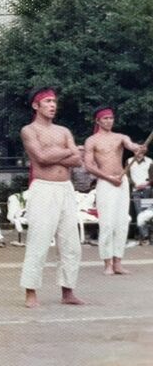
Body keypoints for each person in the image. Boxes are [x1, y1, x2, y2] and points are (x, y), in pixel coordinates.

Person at [19, 88, 83, 309]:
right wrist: (67, 151)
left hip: (65, 188)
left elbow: (78, 160)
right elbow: (41, 158)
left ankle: (68, 291)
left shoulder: (63, 131)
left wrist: (59, 153)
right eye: (47, 101)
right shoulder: (29, 130)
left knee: (71, 243)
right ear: (36, 106)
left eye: (54, 101)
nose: (52, 105)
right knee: (39, 240)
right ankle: (30, 292)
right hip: (43, 189)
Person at [83, 107, 141, 276]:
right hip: (105, 182)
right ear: (98, 121)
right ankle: (107, 263)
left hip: (121, 181)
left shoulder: (120, 137)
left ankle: (118, 263)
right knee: (107, 223)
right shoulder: (91, 141)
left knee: (122, 222)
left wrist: (138, 148)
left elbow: (131, 145)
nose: (109, 121)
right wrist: (108, 178)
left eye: (111, 118)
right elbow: (89, 166)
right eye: (105, 118)